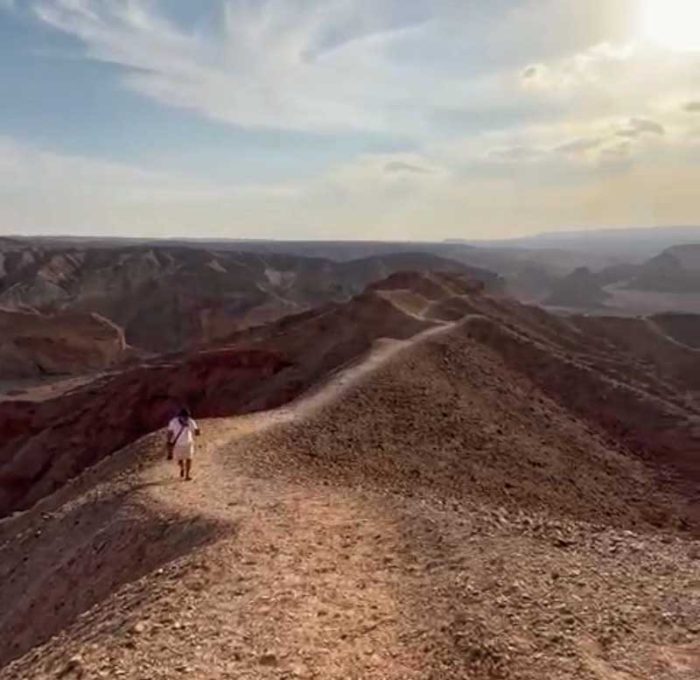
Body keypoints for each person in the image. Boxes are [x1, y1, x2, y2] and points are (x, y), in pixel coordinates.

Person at [166, 408, 200, 481]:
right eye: (184, 417)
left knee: (189, 458)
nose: (185, 418)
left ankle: (187, 475)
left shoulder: (191, 422)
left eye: (186, 417)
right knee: (180, 459)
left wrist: (197, 430)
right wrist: (169, 441)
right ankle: (182, 468)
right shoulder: (173, 422)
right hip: (178, 444)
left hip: (188, 443)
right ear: (180, 416)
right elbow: (170, 432)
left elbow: (197, 432)